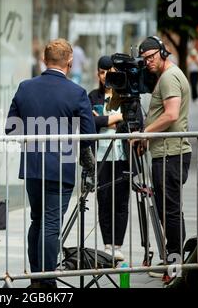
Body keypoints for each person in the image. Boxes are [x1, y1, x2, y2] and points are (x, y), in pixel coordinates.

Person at [5, 38, 96, 288]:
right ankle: (46, 282)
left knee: (38, 220)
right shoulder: (76, 92)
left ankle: (37, 277)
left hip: (33, 165)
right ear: (69, 61)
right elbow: (88, 134)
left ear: (45, 60)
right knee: (51, 223)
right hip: (61, 165)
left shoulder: (25, 87)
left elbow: (11, 129)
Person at [137, 36, 192, 282]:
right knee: (169, 210)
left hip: (171, 154)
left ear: (162, 52)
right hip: (166, 152)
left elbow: (170, 114)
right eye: (144, 58)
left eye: (151, 56)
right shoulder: (169, 75)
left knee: (169, 211)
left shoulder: (169, 77)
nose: (148, 62)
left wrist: (143, 133)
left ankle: (174, 265)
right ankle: (174, 259)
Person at [88, 56, 129, 261]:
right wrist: (116, 118)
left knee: (121, 201)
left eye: (110, 72)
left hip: (122, 156)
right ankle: (107, 245)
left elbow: (133, 120)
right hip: (101, 156)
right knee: (104, 200)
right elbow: (89, 123)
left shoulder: (126, 95)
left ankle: (117, 245)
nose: (106, 76)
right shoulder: (93, 96)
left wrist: (104, 121)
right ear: (98, 74)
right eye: (103, 72)